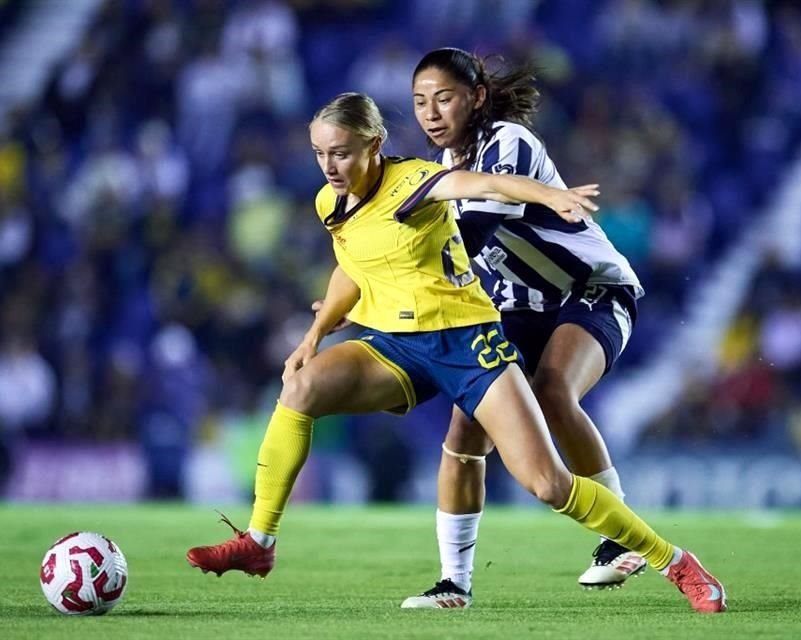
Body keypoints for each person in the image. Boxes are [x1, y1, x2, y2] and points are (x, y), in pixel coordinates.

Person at [186, 92, 727, 614]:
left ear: (374, 144)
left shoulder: (417, 182)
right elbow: (351, 266)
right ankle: (260, 540)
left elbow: (487, 182)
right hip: (396, 346)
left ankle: (676, 562)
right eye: (320, 153)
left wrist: (549, 195)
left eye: (341, 152)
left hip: (467, 344)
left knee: (547, 483)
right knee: (301, 388)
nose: (329, 165)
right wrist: (314, 335)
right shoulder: (333, 200)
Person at [399, 48, 648, 609]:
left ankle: (618, 537)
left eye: (444, 97)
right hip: (518, 306)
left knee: (552, 390)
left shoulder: (508, 141)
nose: (431, 113)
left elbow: (480, 231)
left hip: (591, 291)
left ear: (477, 97)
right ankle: (454, 584)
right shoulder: (442, 172)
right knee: (464, 433)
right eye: (419, 102)